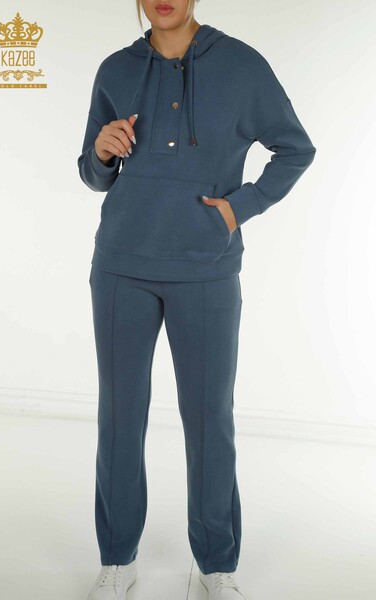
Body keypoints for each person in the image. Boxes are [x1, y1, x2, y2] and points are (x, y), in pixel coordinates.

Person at [77, 1, 316, 598]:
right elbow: (93, 173)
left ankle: (215, 565)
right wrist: (101, 152)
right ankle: (117, 558)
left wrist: (241, 207)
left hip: (206, 270)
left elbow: (295, 148)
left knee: (210, 420)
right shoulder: (115, 69)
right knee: (119, 417)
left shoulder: (241, 65)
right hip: (121, 266)